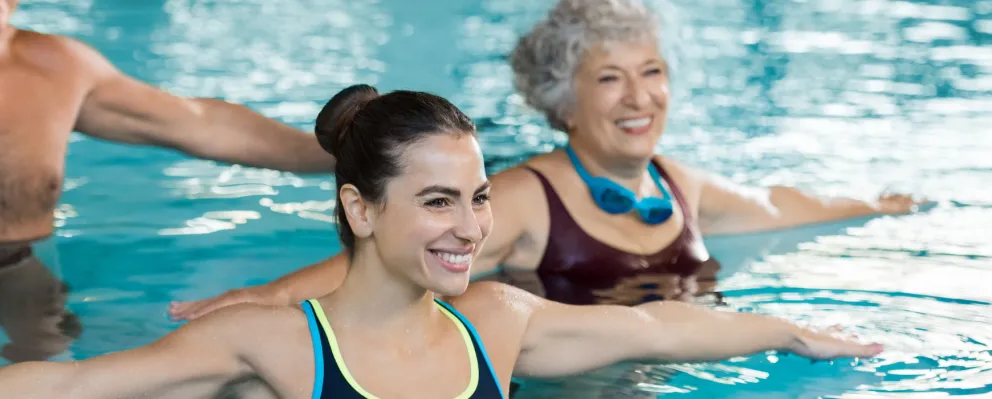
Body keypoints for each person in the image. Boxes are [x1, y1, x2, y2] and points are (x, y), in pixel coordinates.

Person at [0, 84, 883, 399]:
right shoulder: (280, 343)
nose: (470, 228)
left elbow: (666, 332)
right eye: (436, 203)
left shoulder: (496, 325)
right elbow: (70, 386)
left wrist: (791, 332)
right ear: (363, 211)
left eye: (474, 198)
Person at [168, 0, 920, 320]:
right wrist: (259, 299)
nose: (639, 98)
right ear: (563, 101)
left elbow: (775, 209)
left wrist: (874, 208)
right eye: (609, 78)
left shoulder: (676, 183)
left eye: (651, 72)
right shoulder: (525, 198)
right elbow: (383, 265)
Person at [0, 0, 334, 362]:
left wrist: (346, 151)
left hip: (12, 265)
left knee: (67, 372)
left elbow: (200, 122)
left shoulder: (57, 69)